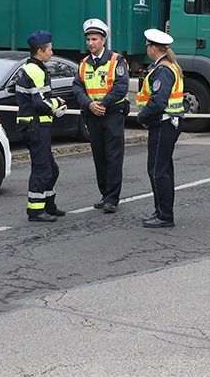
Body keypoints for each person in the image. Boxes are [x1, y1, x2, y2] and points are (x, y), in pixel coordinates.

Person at [73, 18, 129, 213]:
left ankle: (112, 198)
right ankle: (105, 194)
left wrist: (102, 104)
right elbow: (77, 87)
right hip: (93, 115)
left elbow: (121, 87)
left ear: (103, 40)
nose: (90, 43)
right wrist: (89, 104)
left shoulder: (116, 60)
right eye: (88, 39)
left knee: (114, 156)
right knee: (99, 156)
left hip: (112, 114)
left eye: (94, 39)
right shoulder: (83, 63)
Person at [14, 30, 68, 222]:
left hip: (35, 125)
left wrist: (54, 102)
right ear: (40, 51)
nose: (52, 53)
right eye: (50, 50)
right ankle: (36, 210)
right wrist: (56, 105)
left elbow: (40, 97)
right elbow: (39, 103)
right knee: (43, 169)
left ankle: (48, 205)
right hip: (35, 126)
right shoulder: (35, 70)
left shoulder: (33, 67)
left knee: (51, 169)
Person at [135, 28, 184, 229]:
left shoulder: (162, 71)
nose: (147, 48)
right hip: (167, 123)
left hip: (163, 123)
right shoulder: (167, 67)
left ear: (153, 48)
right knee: (163, 169)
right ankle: (162, 211)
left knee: (157, 171)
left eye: (148, 45)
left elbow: (157, 102)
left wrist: (142, 117)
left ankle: (164, 215)